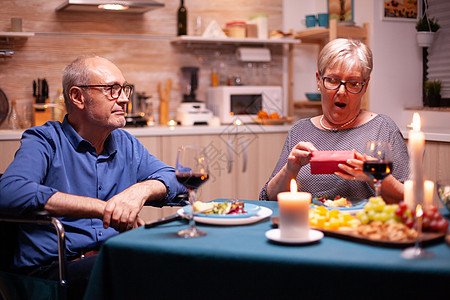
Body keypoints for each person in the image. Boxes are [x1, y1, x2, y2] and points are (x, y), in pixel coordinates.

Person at [0, 56, 186, 299]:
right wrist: (103, 208)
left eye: (125, 89)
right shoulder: (44, 140)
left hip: (110, 258)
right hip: (53, 271)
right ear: (78, 97)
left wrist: (140, 191)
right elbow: (10, 191)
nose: (125, 98)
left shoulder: (126, 143)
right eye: (112, 90)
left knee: (180, 262)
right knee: (141, 272)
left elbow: (179, 183)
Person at [260, 38, 409, 204]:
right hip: (309, 226)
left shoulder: (383, 129)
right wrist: (290, 169)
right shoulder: (300, 130)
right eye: (333, 80)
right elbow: (270, 198)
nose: (342, 91)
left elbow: (410, 197)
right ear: (318, 79)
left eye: (353, 83)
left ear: (365, 86)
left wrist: (375, 175)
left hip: (360, 228)